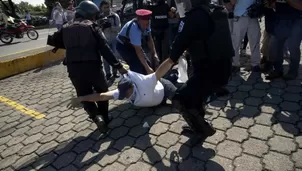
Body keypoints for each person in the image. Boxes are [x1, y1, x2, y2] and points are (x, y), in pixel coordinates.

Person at [154, 0, 235, 137]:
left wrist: (154, 78)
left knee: (180, 99)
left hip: (208, 74)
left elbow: (171, 59)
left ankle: (201, 129)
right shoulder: (219, 10)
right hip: (225, 70)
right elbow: (209, 38)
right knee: (195, 91)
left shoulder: (191, 19)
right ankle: (200, 119)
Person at [62, 1, 127, 132]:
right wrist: (119, 66)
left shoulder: (65, 27)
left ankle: (96, 117)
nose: (94, 18)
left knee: (83, 94)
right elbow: (105, 49)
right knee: (102, 91)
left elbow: (59, 43)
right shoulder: (92, 27)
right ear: (89, 14)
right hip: (93, 67)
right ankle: (104, 117)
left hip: (74, 69)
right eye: (93, 16)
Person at [68, 65, 178, 108]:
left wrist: (172, 59)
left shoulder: (145, 82)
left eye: (126, 94)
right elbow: (101, 96)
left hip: (163, 88)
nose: (125, 97)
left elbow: (159, 73)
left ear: (132, 88)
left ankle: (175, 73)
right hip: (156, 99)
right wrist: (81, 98)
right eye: (123, 95)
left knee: (180, 101)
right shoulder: (122, 92)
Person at [116, 9, 160, 75]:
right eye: (143, 24)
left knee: (147, 64)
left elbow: (149, 39)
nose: (145, 26)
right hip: (123, 46)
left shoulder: (147, 23)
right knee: (137, 66)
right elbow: (139, 51)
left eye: (146, 24)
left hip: (134, 44)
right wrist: (148, 69)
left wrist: (154, 54)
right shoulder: (134, 29)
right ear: (138, 20)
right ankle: (135, 82)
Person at [266, 0, 302, 80]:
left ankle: (293, 71)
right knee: (276, 45)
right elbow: (271, 4)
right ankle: (278, 70)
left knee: (293, 46)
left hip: (297, 20)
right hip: (281, 19)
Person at [229, 0, 262, 73]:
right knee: (236, 42)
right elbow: (232, 2)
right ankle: (235, 64)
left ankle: (255, 64)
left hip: (253, 16)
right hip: (239, 16)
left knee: (255, 41)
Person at [99, 0, 121, 80]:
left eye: (108, 7)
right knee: (105, 58)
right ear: (101, 8)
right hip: (105, 40)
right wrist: (101, 26)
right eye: (104, 7)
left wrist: (111, 26)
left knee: (115, 56)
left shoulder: (115, 16)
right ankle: (108, 73)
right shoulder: (99, 17)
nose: (107, 9)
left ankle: (115, 72)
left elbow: (119, 27)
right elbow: (96, 29)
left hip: (114, 39)